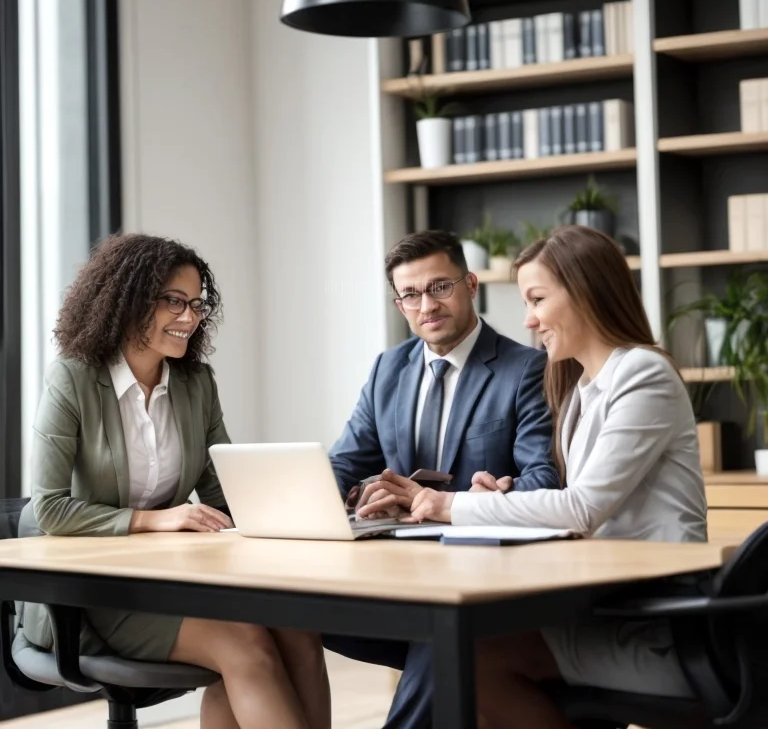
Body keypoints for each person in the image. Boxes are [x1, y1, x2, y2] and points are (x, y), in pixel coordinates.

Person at [370, 225, 708, 728]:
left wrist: (449, 505)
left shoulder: (643, 374)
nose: (528, 320)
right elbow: (568, 503)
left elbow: (580, 508)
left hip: (657, 625)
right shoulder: (580, 391)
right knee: (465, 655)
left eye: (537, 299)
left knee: (464, 654)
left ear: (585, 292)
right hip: (603, 608)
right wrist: (497, 498)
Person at [21, 234, 330, 729]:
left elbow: (221, 495)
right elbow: (50, 508)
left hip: (175, 581)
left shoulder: (195, 384)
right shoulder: (73, 378)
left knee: (299, 633)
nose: (190, 317)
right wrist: (155, 520)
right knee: (246, 648)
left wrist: (301, 508)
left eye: (197, 304)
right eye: (174, 301)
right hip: (93, 595)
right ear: (129, 300)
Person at [324, 229, 560, 729]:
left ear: (471, 284)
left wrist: (463, 498)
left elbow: (542, 477)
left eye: (439, 287)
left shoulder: (526, 368)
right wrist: (357, 491)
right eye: (410, 294)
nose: (425, 305)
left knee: (442, 636)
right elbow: (346, 460)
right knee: (295, 618)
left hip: (486, 581)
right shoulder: (388, 368)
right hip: (399, 575)